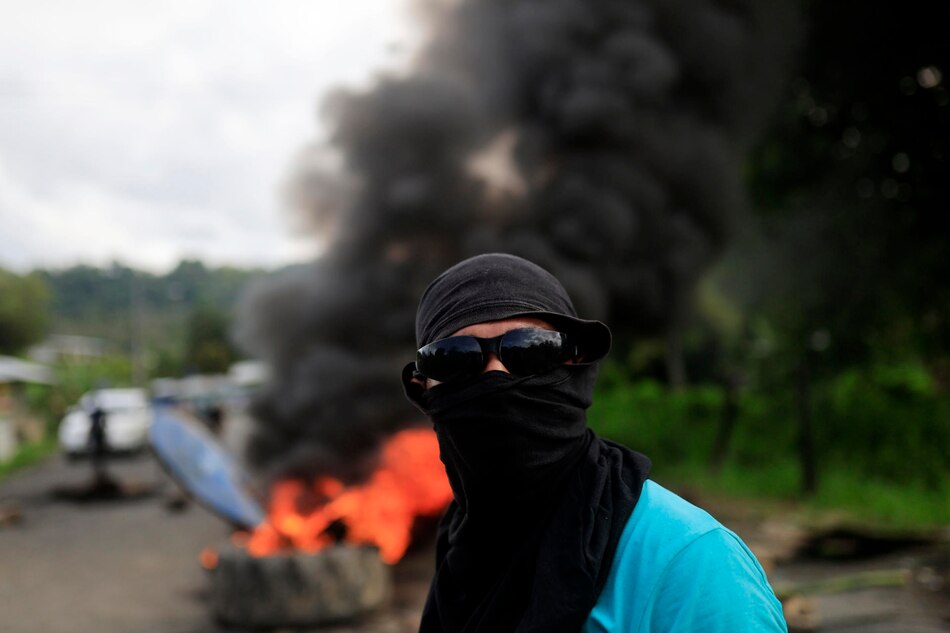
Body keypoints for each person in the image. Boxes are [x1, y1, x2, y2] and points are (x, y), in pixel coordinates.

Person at [402, 253, 787, 633]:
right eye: (453, 358)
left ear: (578, 365)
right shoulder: (460, 551)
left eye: (530, 348)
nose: (495, 377)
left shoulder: (690, 562)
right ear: (424, 391)